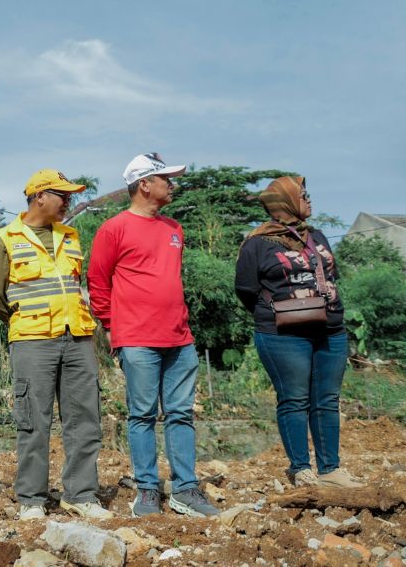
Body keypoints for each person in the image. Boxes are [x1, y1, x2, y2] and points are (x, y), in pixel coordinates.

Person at [88, 153, 219, 518]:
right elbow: (98, 283)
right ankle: (147, 490)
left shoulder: (174, 228)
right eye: (166, 178)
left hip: (180, 338)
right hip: (137, 339)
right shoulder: (113, 228)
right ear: (144, 184)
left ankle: (185, 489)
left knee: (181, 414)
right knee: (142, 415)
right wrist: (113, 328)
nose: (172, 184)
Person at [0, 169, 110, 521]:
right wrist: (27, 320)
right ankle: (32, 500)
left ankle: (81, 495)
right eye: (62, 193)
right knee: (32, 422)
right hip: (32, 341)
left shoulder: (70, 235)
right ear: (40, 196)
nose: (68, 199)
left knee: (85, 419)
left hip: (77, 338)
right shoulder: (4, 238)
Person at [235, 176, 363, 489]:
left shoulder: (316, 235)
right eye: (303, 194)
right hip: (282, 334)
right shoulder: (256, 243)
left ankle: (331, 469)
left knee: (327, 401)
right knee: (294, 399)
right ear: (286, 201)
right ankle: (301, 469)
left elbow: (332, 275)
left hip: (330, 330)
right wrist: (281, 311)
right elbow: (246, 289)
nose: (309, 200)